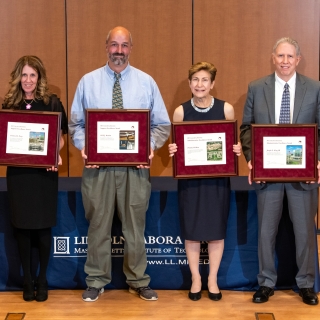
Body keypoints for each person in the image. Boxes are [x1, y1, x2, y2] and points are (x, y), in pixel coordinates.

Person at [68, 26, 170, 302]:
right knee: (98, 225)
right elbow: (75, 124)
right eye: (114, 45)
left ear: (131, 49)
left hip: (134, 170)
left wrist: (148, 148)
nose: (119, 51)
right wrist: (84, 146)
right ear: (106, 47)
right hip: (97, 169)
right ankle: (96, 280)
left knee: (134, 227)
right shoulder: (87, 82)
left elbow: (162, 124)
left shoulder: (146, 82)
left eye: (124, 46)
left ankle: (138, 280)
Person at [240, 37, 320, 305]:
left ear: (298, 59)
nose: (285, 61)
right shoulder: (256, 87)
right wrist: (251, 160)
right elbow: (246, 129)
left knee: (304, 231)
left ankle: (306, 284)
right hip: (267, 174)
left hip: (303, 176)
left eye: (290, 56)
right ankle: (265, 283)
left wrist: (317, 160)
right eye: (280, 56)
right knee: (265, 231)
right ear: (273, 57)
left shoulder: (315, 88)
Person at [168, 62, 241, 301]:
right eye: (196, 80)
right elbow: (178, 146)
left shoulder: (226, 109)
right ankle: (196, 278)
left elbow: (230, 145)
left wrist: (236, 150)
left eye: (205, 80)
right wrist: (173, 149)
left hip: (217, 181)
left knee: (216, 231)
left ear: (212, 84)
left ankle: (212, 279)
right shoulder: (180, 111)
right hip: (191, 182)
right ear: (189, 84)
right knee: (192, 231)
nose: (200, 85)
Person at [2, 55, 68, 302]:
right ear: (18, 77)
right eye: (24, 75)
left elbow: (61, 137)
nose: (28, 80)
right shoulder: (9, 103)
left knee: (42, 227)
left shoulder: (51, 102)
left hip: (44, 174)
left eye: (33, 75)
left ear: (39, 77)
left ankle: (42, 279)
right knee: (21, 227)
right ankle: (27, 279)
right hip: (19, 175)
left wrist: (55, 154)